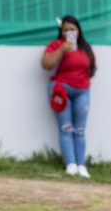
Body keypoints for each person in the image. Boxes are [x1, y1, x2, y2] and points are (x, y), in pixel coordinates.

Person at [41, 15, 95, 179]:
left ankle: (81, 165)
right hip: (60, 90)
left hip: (82, 91)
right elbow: (46, 64)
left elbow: (92, 69)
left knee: (80, 130)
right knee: (66, 128)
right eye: (65, 30)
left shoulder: (85, 48)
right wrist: (62, 49)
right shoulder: (56, 45)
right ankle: (70, 164)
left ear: (78, 31)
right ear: (61, 32)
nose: (69, 32)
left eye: (72, 29)